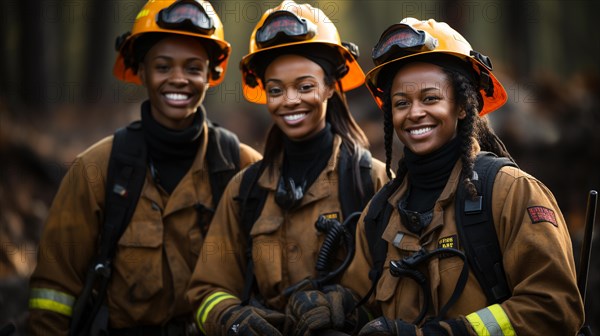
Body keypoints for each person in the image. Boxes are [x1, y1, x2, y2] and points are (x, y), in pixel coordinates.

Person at [286, 17, 585, 336]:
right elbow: (368, 304)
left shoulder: (511, 193)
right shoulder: (380, 214)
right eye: (401, 103)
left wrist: (445, 333)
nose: (414, 113)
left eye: (430, 98)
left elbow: (555, 308)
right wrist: (339, 307)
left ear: (461, 107)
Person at [26, 0, 261, 334]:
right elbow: (54, 292)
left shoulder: (244, 168)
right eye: (163, 67)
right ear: (140, 70)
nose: (179, 79)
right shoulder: (96, 169)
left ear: (212, 74)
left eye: (193, 68)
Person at [185, 1, 389, 335]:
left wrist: (351, 313)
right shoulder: (245, 190)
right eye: (276, 90)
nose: (290, 100)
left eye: (305, 87)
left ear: (330, 87)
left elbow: (402, 298)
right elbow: (206, 290)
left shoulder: (372, 180)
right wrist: (231, 319)